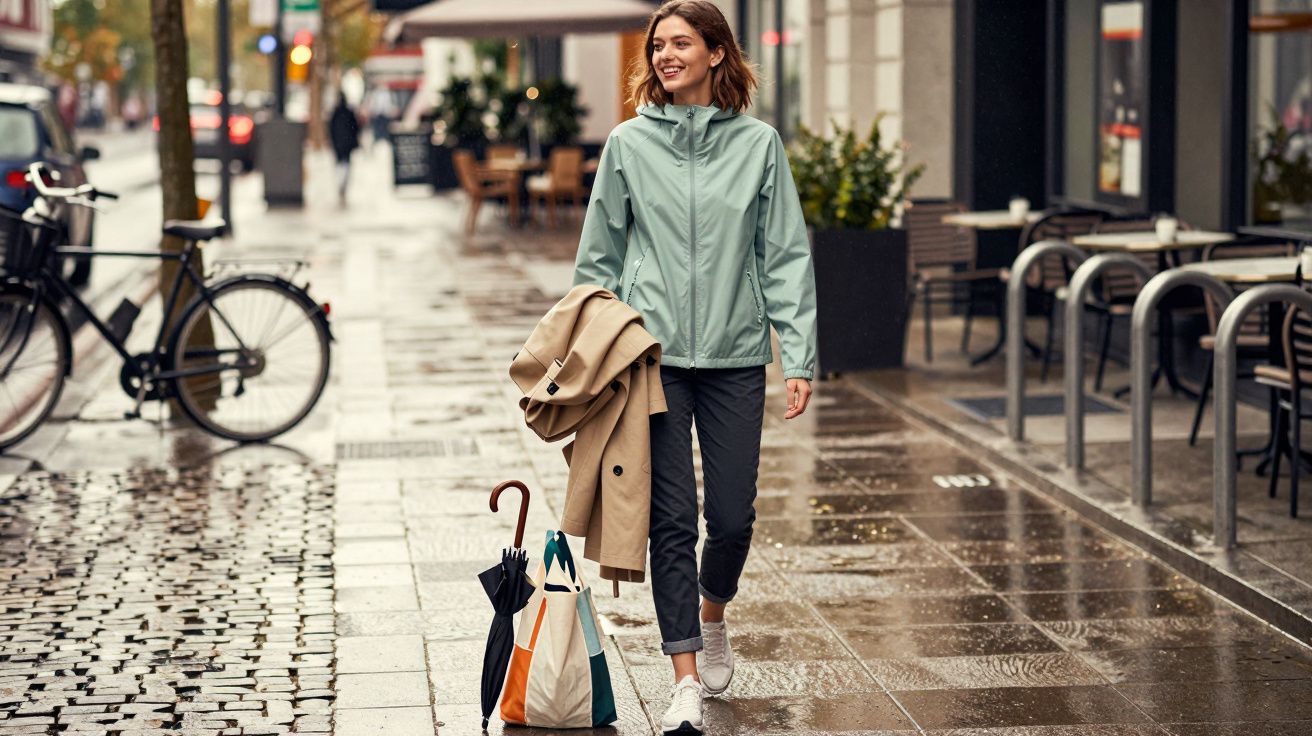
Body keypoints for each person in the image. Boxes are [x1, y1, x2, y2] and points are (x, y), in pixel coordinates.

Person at [571, 2, 817, 733]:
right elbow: (597, 260)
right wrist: (594, 352)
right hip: (653, 359)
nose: (665, 55)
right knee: (670, 517)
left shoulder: (759, 145)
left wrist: (797, 353)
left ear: (716, 53)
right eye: (658, 46)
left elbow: (784, 254)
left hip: (736, 353)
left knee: (733, 518)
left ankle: (712, 611)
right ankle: (683, 677)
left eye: (681, 43)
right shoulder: (627, 144)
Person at [328, 92, 361, 201]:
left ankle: (341, 183)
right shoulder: (348, 112)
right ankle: (342, 184)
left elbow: (331, 129)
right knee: (346, 163)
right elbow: (356, 128)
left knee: (339, 163)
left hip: (338, 143)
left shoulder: (335, 113)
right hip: (347, 143)